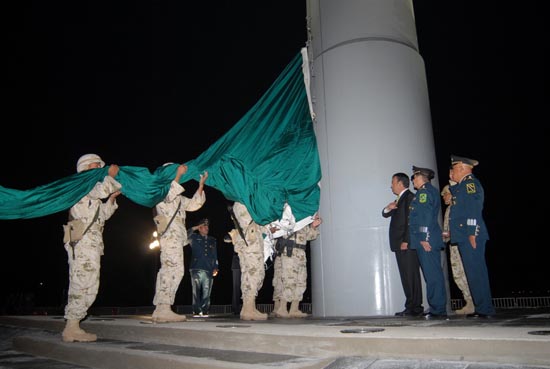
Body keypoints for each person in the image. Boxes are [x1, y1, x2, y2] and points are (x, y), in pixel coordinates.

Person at [62, 153, 122, 342]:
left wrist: (111, 199)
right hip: (81, 240)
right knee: (81, 281)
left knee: (91, 284)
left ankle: (75, 324)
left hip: (92, 242)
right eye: (96, 166)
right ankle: (71, 326)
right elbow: (102, 190)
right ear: (85, 168)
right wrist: (111, 176)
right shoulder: (81, 184)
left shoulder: (92, 189)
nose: (100, 169)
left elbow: (102, 215)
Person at [151, 164, 208, 323]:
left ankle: (162, 308)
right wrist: (176, 175)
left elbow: (194, 204)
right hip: (169, 237)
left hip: (176, 238)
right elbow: (169, 194)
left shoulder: (178, 197)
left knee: (174, 270)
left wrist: (201, 186)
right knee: (171, 270)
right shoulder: (161, 191)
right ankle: (163, 308)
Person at [449, 155, 495, 318]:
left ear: (461, 167)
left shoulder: (470, 184)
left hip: (470, 235)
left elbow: (473, 209)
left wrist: (471, 233)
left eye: (453, 168)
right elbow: (459, 204)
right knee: (472, 272)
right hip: (463, 235)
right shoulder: (462, 186)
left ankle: (485, 309)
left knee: (477, 272)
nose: (451, 171)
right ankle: (481, 307)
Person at [382, 172, 424, 317]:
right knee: (406, 276)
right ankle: (410, 306)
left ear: (400, 183)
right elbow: (385, 213)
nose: (391, 185)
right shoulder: (399, 199)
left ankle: (416, 307)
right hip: (399, 244)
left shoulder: (409, 198)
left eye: (393, 182)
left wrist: (406, 240)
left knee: (411, 275)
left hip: (406, 244)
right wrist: (388, 208)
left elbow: (410, 222)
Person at [408, 165, 448, 319]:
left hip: (427, 240)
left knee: (432, 276)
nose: (413, 181)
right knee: (432, 275)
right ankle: (436, 307)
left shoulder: (424, 193)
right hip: (428, 239)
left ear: (420, 177)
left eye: (414, 178)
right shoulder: (427, 192)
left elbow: (425, 216)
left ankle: (438, 309)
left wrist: (423, 238)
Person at [271, 213, 322, 318]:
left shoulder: (303, 222)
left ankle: (294, 309)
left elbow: (309, 236)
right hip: (290, 252)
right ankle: (282, 308)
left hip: (301, 254)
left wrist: (313, 226)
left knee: (301, 281)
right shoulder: (286, 217)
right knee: (289, 280)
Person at [227, 201, 268, 321]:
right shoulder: (245, 202)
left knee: (248, 274)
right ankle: (249, 309)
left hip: (247, 240)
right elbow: (256, 219)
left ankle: (248, 308)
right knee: (253, 273)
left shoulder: (240, 203)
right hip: (251, 242)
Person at [441, 172, 474, 315]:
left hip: (461, 244)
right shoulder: (449, 209)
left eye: (445, 194)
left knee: (467, 272)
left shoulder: (458, 207)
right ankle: (468, 301)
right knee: (458, 274)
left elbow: (464, 226)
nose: (443, 197)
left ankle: (474, 301)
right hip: (453, 246)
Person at [187, 218, 218, 317]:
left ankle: (204, 310)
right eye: (204, 226)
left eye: (207, 226)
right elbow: (185, 235)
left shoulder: (212, 240)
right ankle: (196, 311)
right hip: (196, 267)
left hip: (208, 268)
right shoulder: (194, 237)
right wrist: (195, 228)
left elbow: (215, 255)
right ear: (200, 228)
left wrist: (215, 267)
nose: (206, 228)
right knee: (196, 290)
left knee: (207, 291)